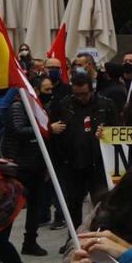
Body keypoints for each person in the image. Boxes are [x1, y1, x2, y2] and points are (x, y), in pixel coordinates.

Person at [49, 75, 115, 247]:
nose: (80, 98)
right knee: (73, 204)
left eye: (84, 94)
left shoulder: (105, 105)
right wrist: (53, 130)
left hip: (97, 164)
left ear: (91, 90)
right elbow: (52, 129)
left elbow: (117, 130)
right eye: (77, 94)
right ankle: (73, 239)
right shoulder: (64, 104)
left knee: (100, 204)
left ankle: (99, 238)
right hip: (72, 163)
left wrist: (107, 132)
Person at [0, 91, 51, 256]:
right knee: (10, 206)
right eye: (45, 90)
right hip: (20, 164)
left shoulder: (38, 108)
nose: (47, 93)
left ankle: (30, 242)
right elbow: (18, 129)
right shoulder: (18, 106)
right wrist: (46, 128)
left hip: (36, 164)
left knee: (35, 206)